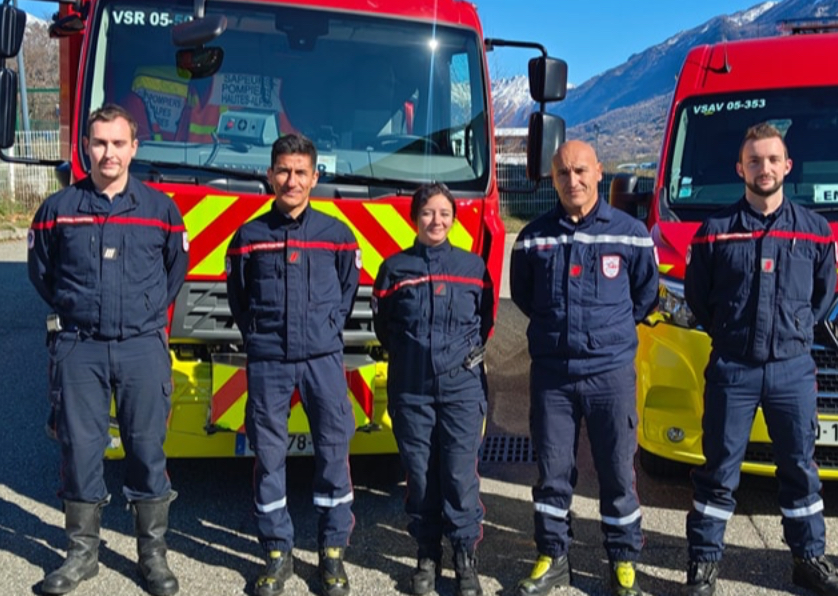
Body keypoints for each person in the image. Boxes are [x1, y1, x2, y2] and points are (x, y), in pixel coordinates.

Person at [681, 123, 838, 596]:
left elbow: (823, 295)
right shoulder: (713, 234)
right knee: (718, 470)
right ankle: (703, 564)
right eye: (754, 161)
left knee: (800, 467)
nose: (764, 168)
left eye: (772, 160)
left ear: (787, 166)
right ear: (741, 168)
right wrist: (731, 332)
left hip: (792, 369)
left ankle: (809, 559)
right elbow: (699, 298)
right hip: (733, 367)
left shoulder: (816, 232)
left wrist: (793, 332)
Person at [27, 104, 188, 596]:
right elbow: (42, 274)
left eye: (119, 143)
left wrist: (143, 311)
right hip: (79, 347)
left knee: (146, 450)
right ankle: (81, 555)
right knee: (80, 451)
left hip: (142, 346)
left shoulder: (161, 211)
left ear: (134, 148)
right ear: (86, 147)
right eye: (100, 143)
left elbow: (174, 272)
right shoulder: (57, 210)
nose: (109, 153)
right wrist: (78, 310)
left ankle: (153, 556)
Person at [508, 140, 660, 596]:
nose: (571, 181)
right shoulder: (534, 237)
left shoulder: (631, 233)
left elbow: (644, 295)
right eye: (562, 174)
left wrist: (606, 335)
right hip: (553, 376)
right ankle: (553, 556)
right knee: (552, 470)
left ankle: (623, 560)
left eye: (580, 171)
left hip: (609, 374)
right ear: (552, 179)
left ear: (598, 173)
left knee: (616, 470)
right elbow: (525, 297)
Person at [225, 134, 361, 596]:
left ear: (315, 177)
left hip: (323, 361)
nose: (292, 180)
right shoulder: (248, 238)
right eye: (283, 170)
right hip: (269, 363)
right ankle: (277, 551)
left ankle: (332, 553)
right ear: (269, 174)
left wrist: (323, 330)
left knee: (333, 452)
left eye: (301, 172)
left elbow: (346, 294)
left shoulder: (337, 236)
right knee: (268, 457)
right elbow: (239, 300)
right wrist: (263, 337)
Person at [372, 183, 495, 596]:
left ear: (453, 219)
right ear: (415, 217)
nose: (436, 221)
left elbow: (486, 322)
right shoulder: (394, 268)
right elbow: (385, 327)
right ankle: (427, 556)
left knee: (460, 478)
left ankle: (464, 558)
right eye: (428, 213)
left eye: (444, 213)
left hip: (462, 389)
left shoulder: (473, 267)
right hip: (411, 390)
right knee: (421, 477)